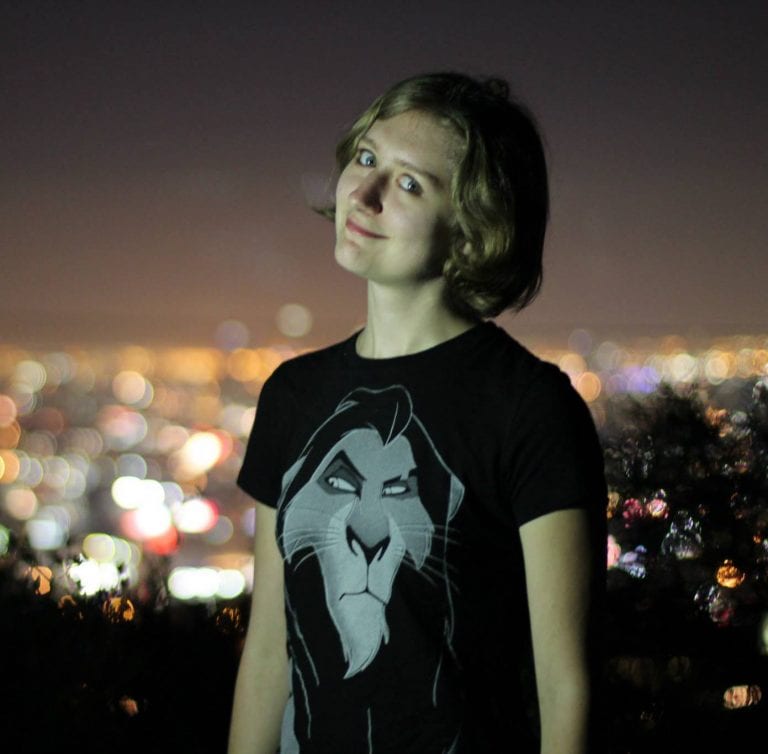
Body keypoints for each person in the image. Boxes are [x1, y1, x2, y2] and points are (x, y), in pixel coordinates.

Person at [227, 72, 606, 754]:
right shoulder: (293, 394)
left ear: (473, 230)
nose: (363, 193)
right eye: (366, 158)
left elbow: (566, 686)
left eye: (409, 183)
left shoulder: (530, 408)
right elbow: (268, 651)